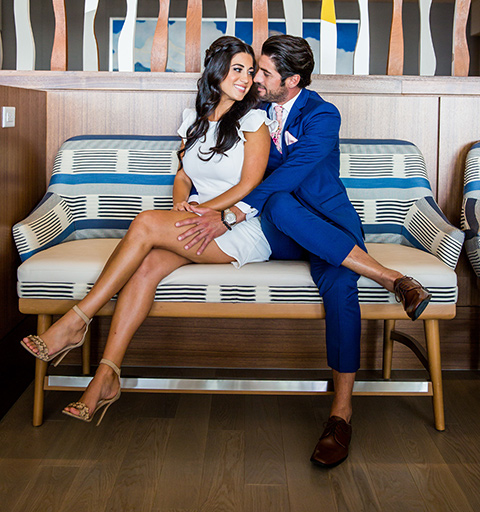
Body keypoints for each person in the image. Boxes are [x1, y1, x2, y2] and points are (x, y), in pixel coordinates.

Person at [175, 34, 432, 468]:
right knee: (276, 204)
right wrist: (211, 200)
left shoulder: (322, 115)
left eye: (265, 74)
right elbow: (219, 160)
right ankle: (392, 279)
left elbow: (294, 170)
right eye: (254, 70)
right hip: (275, 227)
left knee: (339, 287)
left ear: (292, 81)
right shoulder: (250, 111)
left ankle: (341, 413)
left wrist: (233, 213)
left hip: (328, 226)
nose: (256, 78)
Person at [21, 36, 275, 424]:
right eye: (238, 69)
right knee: (146, 267)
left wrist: (202, 211)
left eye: (250, 71)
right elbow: (184, 174)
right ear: (217, 72)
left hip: (238, 226)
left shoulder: (255, 120)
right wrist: (180, 204)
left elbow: (250, 184)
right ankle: (106, 376)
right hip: (197, 219)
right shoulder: (193, 119)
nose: (246, 78)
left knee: (143, 222)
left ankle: (78, 319)